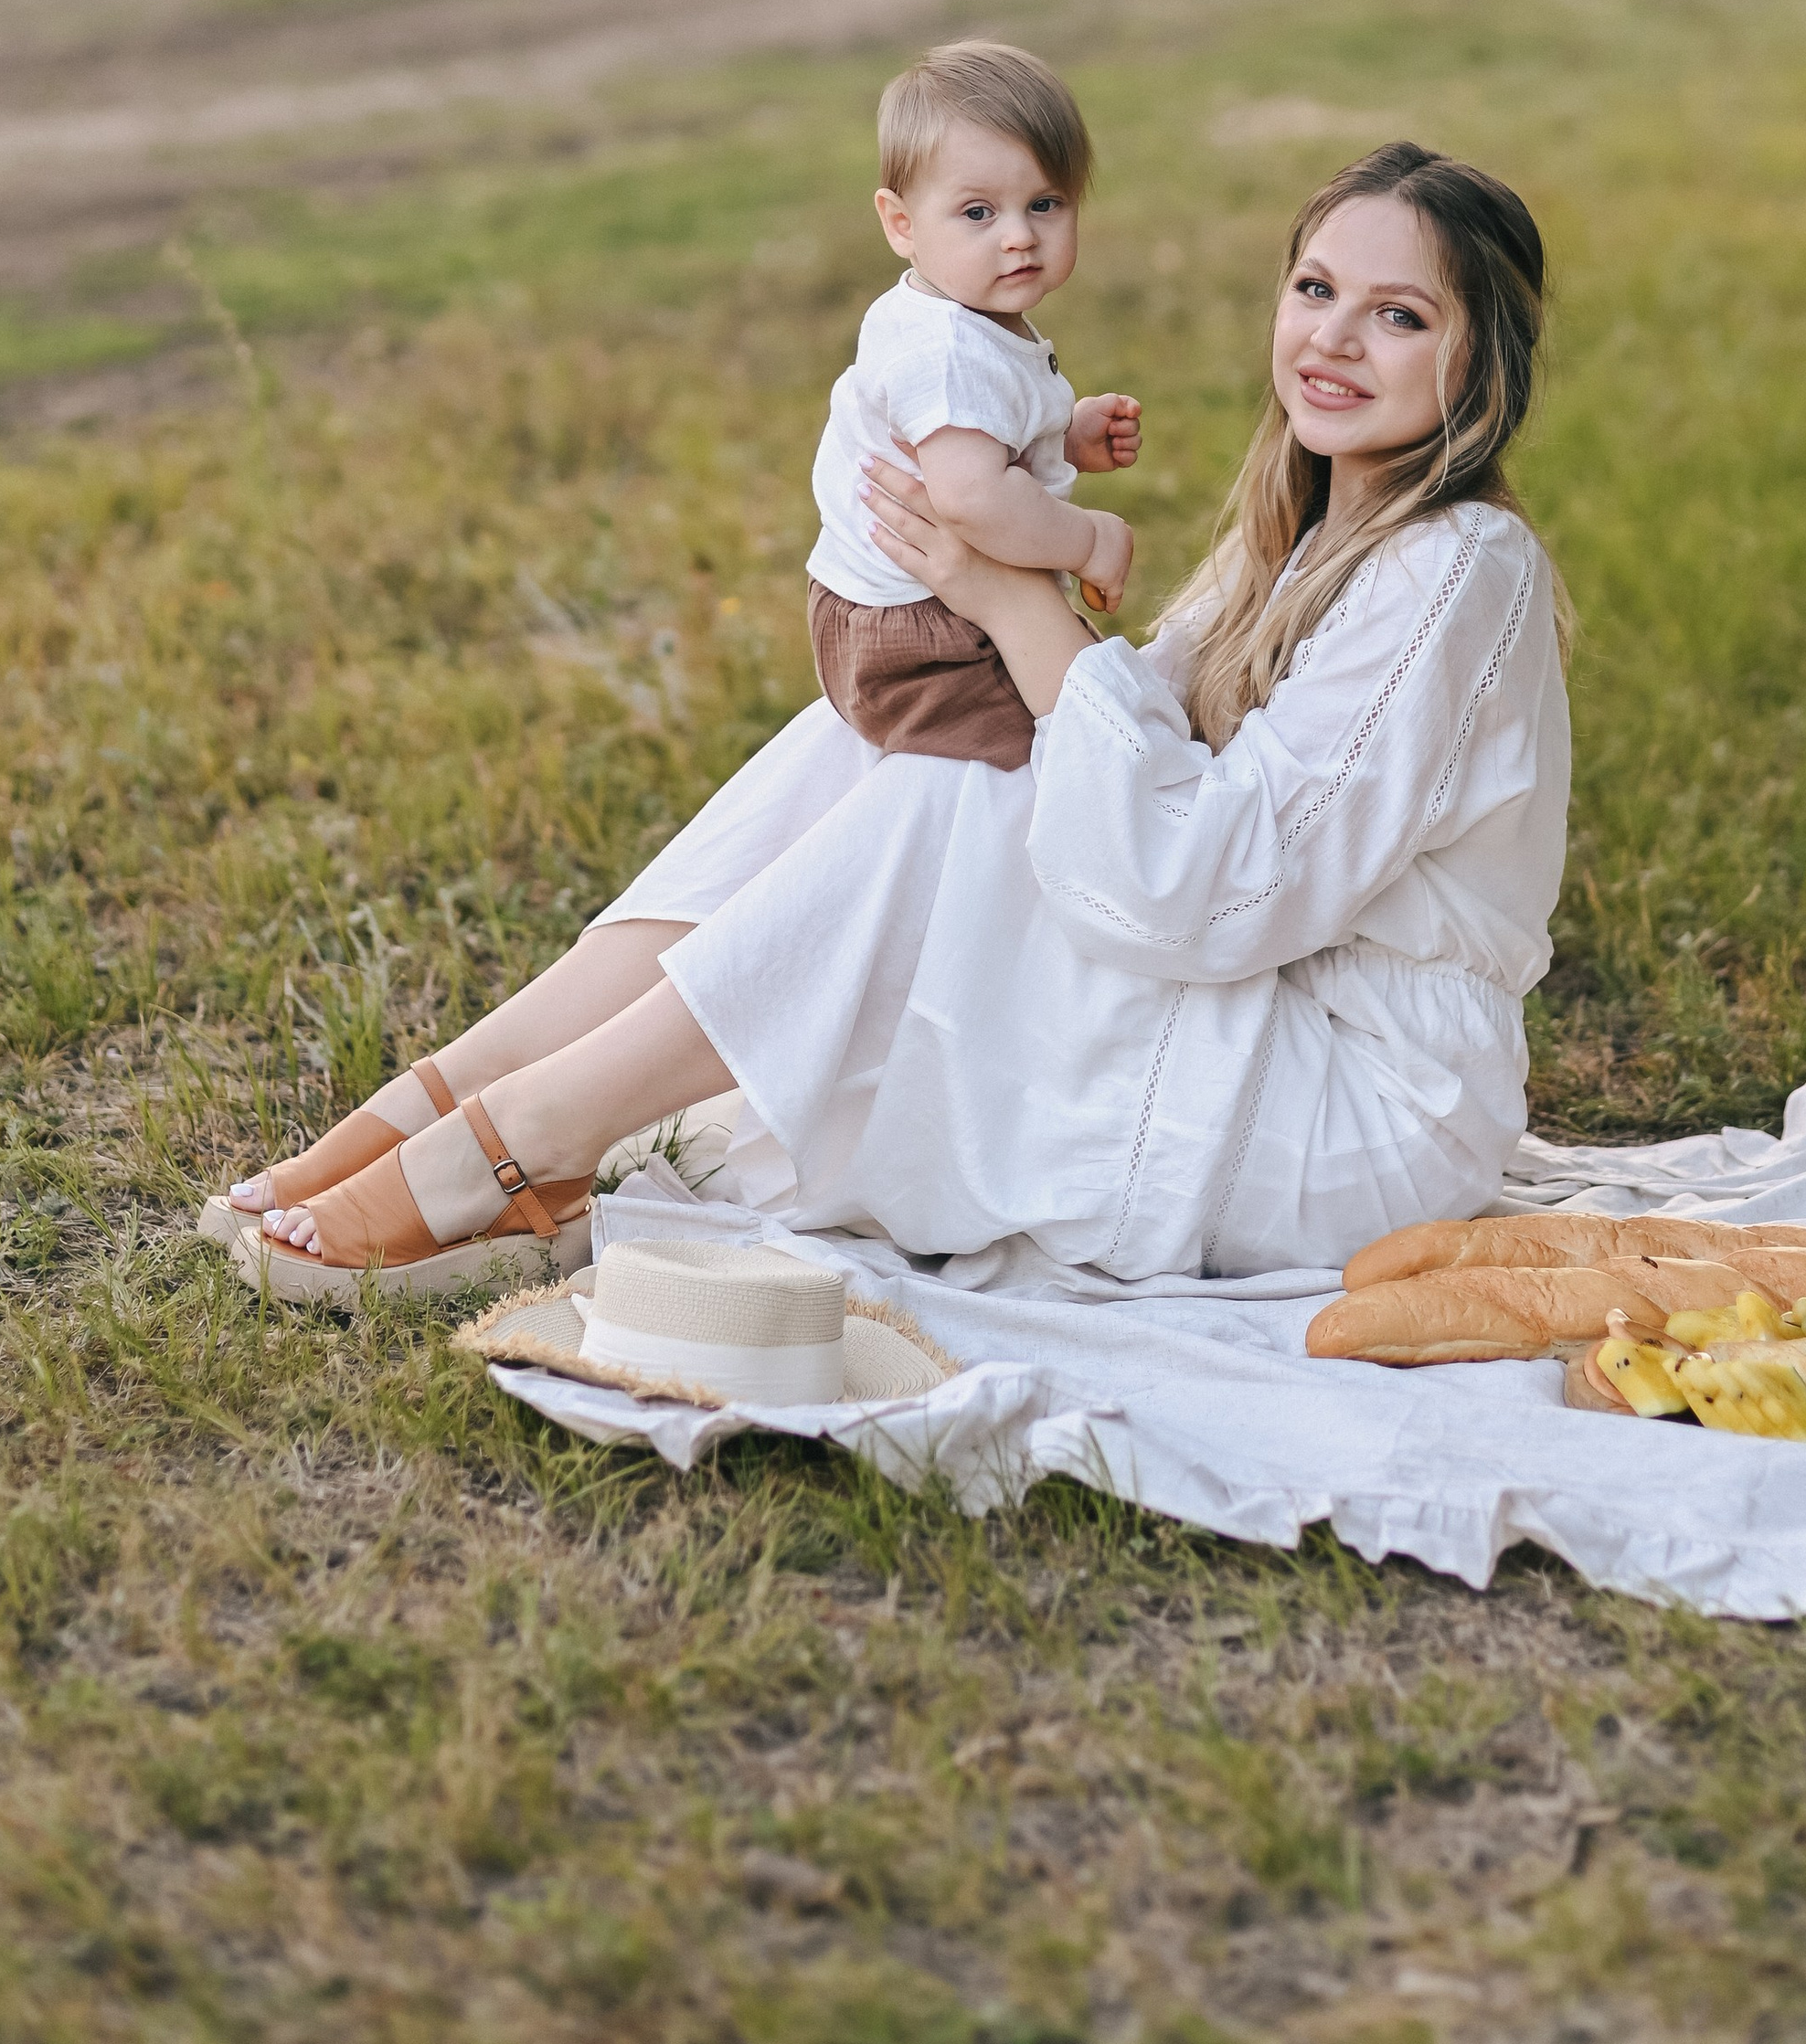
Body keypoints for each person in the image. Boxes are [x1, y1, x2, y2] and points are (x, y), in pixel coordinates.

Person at [223, 139, 1572, 1292]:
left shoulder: (1457, 568)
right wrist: (1002, 600)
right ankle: (462, 1090)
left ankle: (526, 1141)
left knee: (961, 773)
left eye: (1399, 316)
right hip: (1252, 1009)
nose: (1332, 338)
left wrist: (1011, 598)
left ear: (1480, 365)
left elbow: (1210, 888)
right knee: (886, 735)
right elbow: (1127, 751)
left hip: (1353, 1113)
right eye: (1316, 288)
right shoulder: (1301, 534)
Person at [805, 37, 1142, 778]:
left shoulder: (951, 313)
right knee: (1065, 761)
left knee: (1091, 711)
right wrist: (1088, 541)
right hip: (918, 632)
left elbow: (971, 445)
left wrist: (1061, 438)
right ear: (902, 224)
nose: (1019, 236)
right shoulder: (949, 352)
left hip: (891, 608)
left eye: (1044, 204)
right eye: (978, 212)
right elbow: (970, 498)